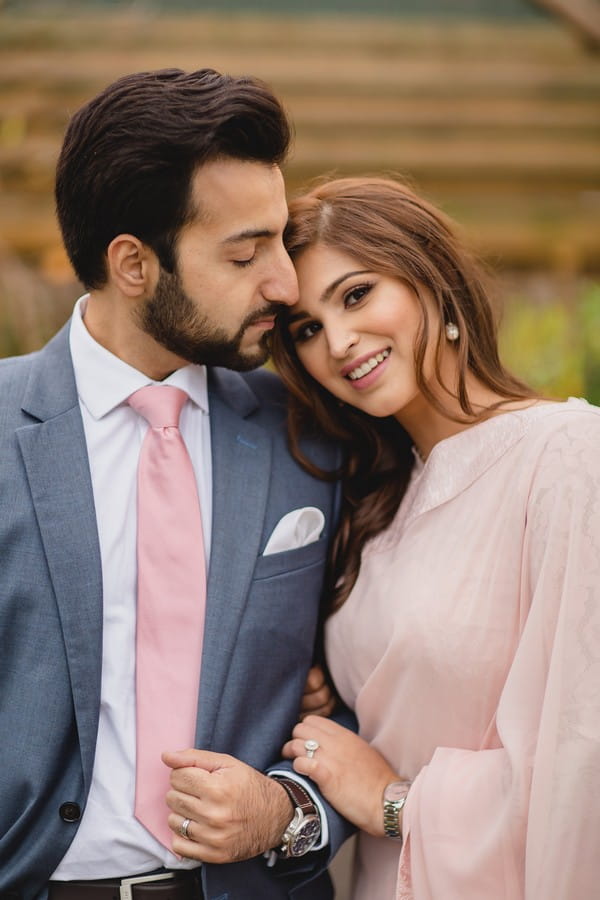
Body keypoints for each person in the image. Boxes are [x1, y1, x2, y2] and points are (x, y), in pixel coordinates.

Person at [0, 69, 356, 900]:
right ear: (133, 264)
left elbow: (377, 686)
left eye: (280, 240)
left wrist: (287, 808)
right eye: (245, 252)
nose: (285, 284)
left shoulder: (314, 430)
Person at [271, 175, 600, 899]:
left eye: (356, 295)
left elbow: (583, 759)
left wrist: (395, 801)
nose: (339, 342)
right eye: (306, 329)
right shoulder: (375, 499)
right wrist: (327, 699)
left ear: (432, 278)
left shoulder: (567, 456)